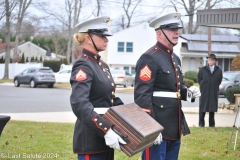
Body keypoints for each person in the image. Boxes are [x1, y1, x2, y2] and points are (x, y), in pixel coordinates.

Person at [134, 12, 201, 160]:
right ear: (159, 33)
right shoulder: (149, 57)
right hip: (157, 126)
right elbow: (142, 96)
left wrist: (188, 93)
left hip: (173, 126)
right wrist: (150, 128)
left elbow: (175, 88)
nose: (176, 32)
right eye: (171, 29)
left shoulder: (175, 58)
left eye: (177, 28)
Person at [70, 16, 126, 160]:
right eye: (102, 36)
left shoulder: (102, 65)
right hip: (91, 139)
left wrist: (135, 120)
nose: (106, 39)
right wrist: (105, 129)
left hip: (106, 138)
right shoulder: (83, 65)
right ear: (88, 38)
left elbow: (110, 100)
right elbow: (80, 104)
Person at [198, 54, 223, 127]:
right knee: (202, 108)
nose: (210, 61)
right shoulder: (202, 69)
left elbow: (219, 80)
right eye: (209, 59)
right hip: (204, 92)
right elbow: (199, 80)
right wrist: (204, 86)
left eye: (212, 60)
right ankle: (201, 124)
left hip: (213, 91)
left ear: (215, 61)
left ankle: (211, 125)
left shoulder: (218, 70)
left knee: (212, 109)